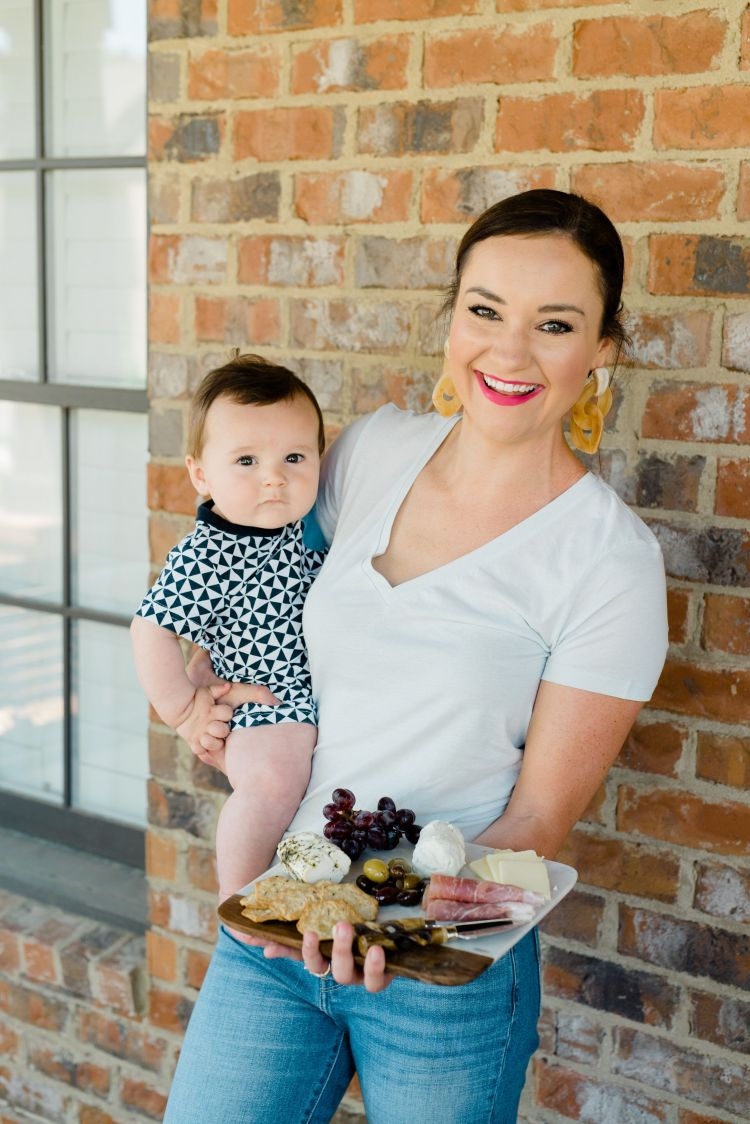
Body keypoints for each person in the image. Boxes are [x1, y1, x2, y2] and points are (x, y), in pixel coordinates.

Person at [162, 190, 668, 1124]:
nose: (508, 354)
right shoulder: (368, 453)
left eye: (554, 325)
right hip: (275, 923)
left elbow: (538, 820)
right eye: (485, 312)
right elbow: (246, 575)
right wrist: (193, 689)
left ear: (602, 350)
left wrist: (385, 918)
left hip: (445, 968)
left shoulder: (610, 562)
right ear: (453, 320)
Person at [131, 355, 326, 901]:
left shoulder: (296, 524)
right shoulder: (211, 553)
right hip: (266, 701)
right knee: (272, 785)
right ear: (201, 474)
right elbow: (150, 629)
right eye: (246, 460)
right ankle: (238, 899)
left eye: (294, 457)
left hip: (304, 693)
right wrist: (186, 711)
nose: (274, 477)